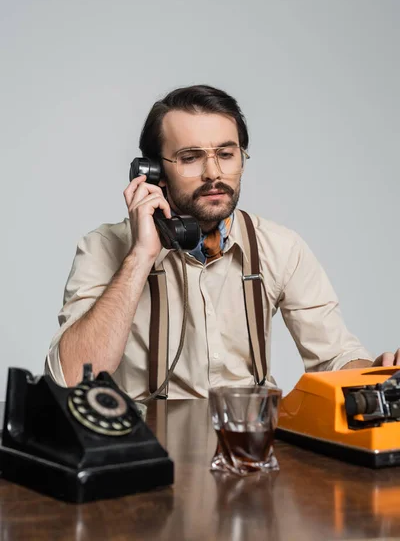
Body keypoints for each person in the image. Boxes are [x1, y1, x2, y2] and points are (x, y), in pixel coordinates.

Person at [45, 85, 400, 398]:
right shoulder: (102, 248)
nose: (213, 173)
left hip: (247, 445)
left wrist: (380, 373)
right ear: (153, 171)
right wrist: (140, 256)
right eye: (190, 157)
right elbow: (71, 381)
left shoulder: (281, 247)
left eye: (226, 154)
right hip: (146, 455)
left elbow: (333, 357)